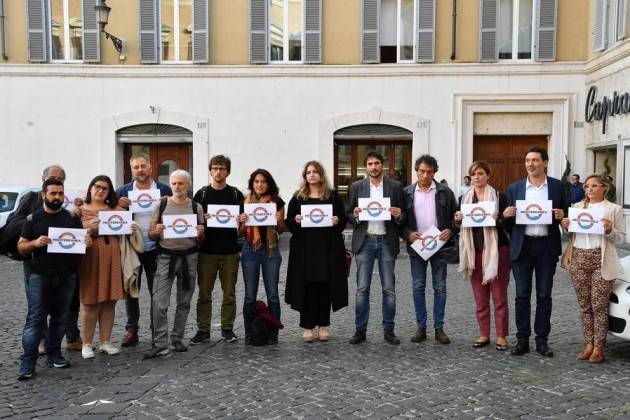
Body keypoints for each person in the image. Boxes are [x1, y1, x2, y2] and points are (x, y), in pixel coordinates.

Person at [1, 165, 83, 353]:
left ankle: (72, 336)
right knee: (38, 304)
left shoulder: (68, 201)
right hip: (36, 261)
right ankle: (41, 341)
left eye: (61, 179)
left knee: (69, 301)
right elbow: (15, 221)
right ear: (43, 179)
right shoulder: (32, 198)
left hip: (65, 262)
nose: (57, 182)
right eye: (53, 177)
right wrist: (40, 225)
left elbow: (76, 228)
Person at [16, 178, 93, 380]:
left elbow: (81, 244)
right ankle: (28, 362)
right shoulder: (33, 219)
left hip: (67, 276)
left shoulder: (71, 218)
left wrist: (87, 241)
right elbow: (21, 247)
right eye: (53, 193)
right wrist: (34, 243)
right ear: (44, 195)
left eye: (60, 193)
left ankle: (54, 354)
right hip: (39, 276)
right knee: (35, 319)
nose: (57, 197)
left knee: (61, 318)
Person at [503, 146, 566, 357]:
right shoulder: (515, 188)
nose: (531, 164)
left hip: (547, 247)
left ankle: (542, 340)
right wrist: (506, 214)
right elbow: (505, 223)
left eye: (536, 160)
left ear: (545, 163)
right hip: (522, 247)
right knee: (521, 295)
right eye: (528, 160)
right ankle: (522, 339)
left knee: (544, 295)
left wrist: (561, 215)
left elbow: (567, 218)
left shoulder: (558, 187)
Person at [560, 174, 625, 363]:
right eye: (587, 186)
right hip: (579, 257)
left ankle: (599, 347)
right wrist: (566, 226)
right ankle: (588, 344)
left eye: (594, 186)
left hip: (601, 259)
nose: (589, 189)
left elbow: (621, 238)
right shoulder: (577, 208)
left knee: (599, 305)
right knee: (584, 305)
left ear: (604, 187)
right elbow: (572, 233)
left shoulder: (614, 209)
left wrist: (610, 230)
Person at [285, 161, 348, 342]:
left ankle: (323, 326)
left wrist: (337, 221)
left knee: (325, 287)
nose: (312, 175)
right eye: (308, 172)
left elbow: (343, 220)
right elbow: (289, 222)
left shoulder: (333, 196)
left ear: (321, 174)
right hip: (304, 251)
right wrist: (295, 220)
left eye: (315, 172)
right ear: (305, 176)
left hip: (328, 250)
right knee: (307, 287)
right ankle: (307, 327)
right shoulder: (298, 197)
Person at [144, 170, 205, 358]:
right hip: (166, 258)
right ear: (170, 185)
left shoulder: (196, 207)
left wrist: (201, 232)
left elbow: (200, 239)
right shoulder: (161, 204)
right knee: (159, 302)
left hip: (189, 258)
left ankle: (177, 337)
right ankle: (161, 342)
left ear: (188, 185)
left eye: (181, 183)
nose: (177, 187)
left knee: (184, 301)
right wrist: (157, 230)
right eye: (174, 183)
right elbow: (151, 234)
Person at [346, 150, 404, 345]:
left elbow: (404, 216)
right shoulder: (357, 186)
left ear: (383, 166)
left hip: (387, 240)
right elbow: (348, 213)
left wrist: (398, 215)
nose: (373, 167)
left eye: (377, 163)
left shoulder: (395, 187)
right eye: (370, 164)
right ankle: (360, 330)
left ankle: (389, 330)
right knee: (362, 288)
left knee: (389, 288)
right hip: (365, 240)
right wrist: (354, 215)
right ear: (366, 167)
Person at [117, 154, 172, 347]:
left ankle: (156, 330)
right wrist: (118, 206)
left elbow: (177, 212)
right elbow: (111, 217)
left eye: (143, 166)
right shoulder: (123, 191)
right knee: (131, 288)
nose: (140, 170)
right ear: (132, 170)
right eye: (136, 167)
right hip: (132, 248)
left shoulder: (164, 189)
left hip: (157, 247)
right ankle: (132, 329)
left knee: (156, 291)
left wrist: (169, 202)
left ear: (150, 168)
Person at [400, 155, 457, 345]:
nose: (425, 175)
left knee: (439, 287)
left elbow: (455, 218)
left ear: (434, 173)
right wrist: (408, 234)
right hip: (417, 248)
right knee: (418, 286)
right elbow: (400, 222)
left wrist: (451, 230)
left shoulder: (445, 192)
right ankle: (421, 327)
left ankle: (439, 328)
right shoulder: (406, 192)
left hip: (439, 246)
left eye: (429, 172)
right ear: (416, 171)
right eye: (422, 171)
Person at [454, 161, 510, 351]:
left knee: (499, 295)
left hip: (497, 251)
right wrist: (457, 220)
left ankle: (501, 336)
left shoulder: (500, 197)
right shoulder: (464, 198)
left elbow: (508, 225)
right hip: (474, 252)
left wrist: (499, 219)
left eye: (480, 174)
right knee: (480, 297)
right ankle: (484, 333)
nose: (476, 177)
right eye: (473, 174)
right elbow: (459, 226)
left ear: (488, 175)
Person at [78, 175, 134, 359]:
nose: (100, 190)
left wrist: (131, 228)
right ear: (90, 188)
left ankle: (105, 341)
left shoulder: (115, 209)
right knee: (90, 301)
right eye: (97, 186)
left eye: (105, 188)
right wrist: (89, 229)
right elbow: (72, 233)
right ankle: (86, 343)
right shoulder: (79, 210)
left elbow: (127, 224)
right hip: (90, 258)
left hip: (113, 257)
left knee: (110, 300)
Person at [191, 155, 244, 345]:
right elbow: (193, 223)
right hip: (207, 251)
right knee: (204, 293)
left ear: (228, 171)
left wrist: (241, 222)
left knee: (229, 292)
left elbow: (242, 228)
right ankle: (203, 329)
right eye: (215, 168)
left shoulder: (236, 195)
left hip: (230, 251)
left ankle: (227, 329)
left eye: (222, 168)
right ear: (210, 171)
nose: (218, 171)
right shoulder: (201, 194)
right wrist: (201, 220)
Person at [238, 169, 285, 345]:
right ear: (252, 183)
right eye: (256, 181)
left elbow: (281, 229)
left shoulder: (277, 202)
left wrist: (279, 219)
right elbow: (241, 231)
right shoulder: (246, 201)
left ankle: (273, 334)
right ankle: (249, 333)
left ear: (268, 183)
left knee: (272, 294)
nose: (259, 184)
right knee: (250, 295)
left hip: (270, 250)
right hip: (250, 249)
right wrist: (242, 221)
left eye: (263, 181)